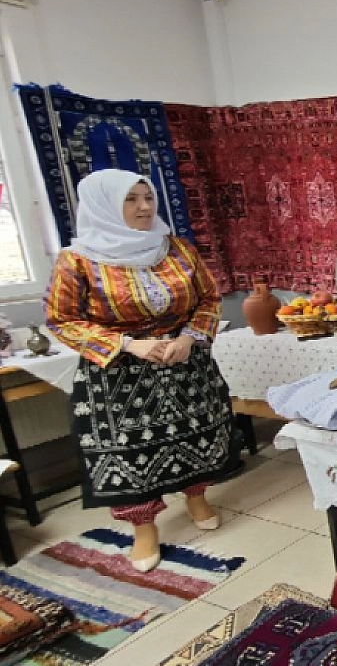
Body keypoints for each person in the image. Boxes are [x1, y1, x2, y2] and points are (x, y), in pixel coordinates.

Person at [45, 170, 236, 573]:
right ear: (104, 206)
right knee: (131, 452)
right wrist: (129, 345)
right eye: (130, 199)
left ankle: (197, 498)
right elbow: (62, 320)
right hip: (121, 374)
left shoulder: (177, 249)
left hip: (183, 363)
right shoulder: (76, 261)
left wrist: (190, 338)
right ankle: (144, 529)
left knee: (200, 433)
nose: (144, 207)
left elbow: (208, 298)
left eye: (148, 197)